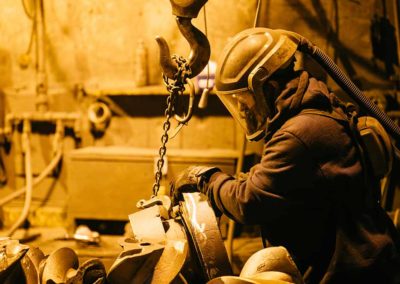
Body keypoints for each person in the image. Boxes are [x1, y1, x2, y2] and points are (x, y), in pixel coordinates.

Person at [171, 28, 400, 283]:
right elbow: (272, 180)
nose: (245, 109)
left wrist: (207, 179)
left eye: (245, 100)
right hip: (363, 260)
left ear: (268, 87)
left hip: (352, 273)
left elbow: (249, 201)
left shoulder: (299, 133)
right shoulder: (311, 111)